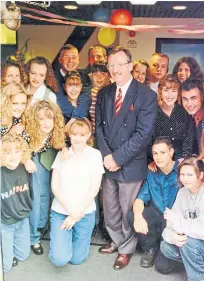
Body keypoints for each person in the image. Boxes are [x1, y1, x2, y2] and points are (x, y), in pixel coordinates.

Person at [96, 46, 157, 270]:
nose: (115, 69)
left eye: (120, 64)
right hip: (108, 160)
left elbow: (143, 134)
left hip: (129, 163)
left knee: (126, 209)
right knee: (110, 207)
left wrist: (117, 158)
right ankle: (115, 240)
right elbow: (99, 129)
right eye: (111, 65)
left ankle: (126, 248)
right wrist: (106, 156)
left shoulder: (146, 95)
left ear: (130, 65)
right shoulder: (104, 93)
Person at [49, 118, 104, 266]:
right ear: (69, 135)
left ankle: (70, 236)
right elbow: (55, 186)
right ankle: (61, 238)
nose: (78, 138)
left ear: (88, 136)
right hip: (61, 211)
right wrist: (70, 211)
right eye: (74, 134)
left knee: (77, 259)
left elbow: (94, 188)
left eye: (82, 134)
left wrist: (75, 214)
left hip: (84, 212)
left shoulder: (95, 155)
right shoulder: (62, 154)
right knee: (60, 260)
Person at [128, 137, 178, 268]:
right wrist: (138, 216)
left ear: (171, 152)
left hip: (175, 217)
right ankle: (150, 247)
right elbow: (140, 199)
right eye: (155, 153)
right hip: (158, 212)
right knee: (132, 215)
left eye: (162, 152)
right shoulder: (152, 171)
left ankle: (166, 247)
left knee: (163, 267)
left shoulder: (182, 171)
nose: (158, 157)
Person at [25, 100, 65, 255]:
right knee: (34, 198)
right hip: (28, 165)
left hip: (45, 163)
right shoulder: (27, 133)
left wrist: (63, 148)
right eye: (41, 119)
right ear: (35, 120)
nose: (46, 122)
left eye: (49, 118)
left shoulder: (54, 134)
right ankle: (32, 237)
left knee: (45, 195)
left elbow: (60, 143)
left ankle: (41, 226)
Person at [160, 157, 204, 281]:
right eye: (182, 174)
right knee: (165, 246)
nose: (185, 178)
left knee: (187, 242)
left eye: (190, 174)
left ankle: (197, 277)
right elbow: (170, 224)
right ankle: (195, 263)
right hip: (193, 242)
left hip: (198, 241)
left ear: (200, 175)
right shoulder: (182, 192)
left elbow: (202, 231)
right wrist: (172, 237)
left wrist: (178, 222)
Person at [1, 133, 32, 273]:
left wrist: (27, 160)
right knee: (6, 267)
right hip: (5, 222)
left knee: (23, 255)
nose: (13, 156)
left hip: (22, 218)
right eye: (8, 153)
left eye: (17, 151)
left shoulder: (25, 167)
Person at [149, 74, 194, 163]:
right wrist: (152, 159)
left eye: (174, 91)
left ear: (178, 93)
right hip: (159, 160)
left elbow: (188, 139)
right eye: (166, 90)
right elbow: (148, 141)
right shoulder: (152, 113)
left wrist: (184, 159)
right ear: (160, 91)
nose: (170, 95)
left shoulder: (184, 112)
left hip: (181, 160)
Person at [54, 44, 91, 117]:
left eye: (74, 57)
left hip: (80, 122)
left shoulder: (84, 77)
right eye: (66, 57)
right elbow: (60, 101)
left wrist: (77, 117)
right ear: (60, 60)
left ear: (78, 60)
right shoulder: (52, 78)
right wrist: (75, 118)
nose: (70, 61)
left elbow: (85, 101)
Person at [181, 79, 204, 155]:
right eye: (185, 99)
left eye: (193, 98)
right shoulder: (189, 117)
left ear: (202, 97)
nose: (189, 104)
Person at [90, 62, 110, 134]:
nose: (99, 77)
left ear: (109, 75)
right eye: (95, 74)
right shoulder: (90, 94)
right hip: (93, 134)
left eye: (103, 74)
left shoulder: (114, 92)